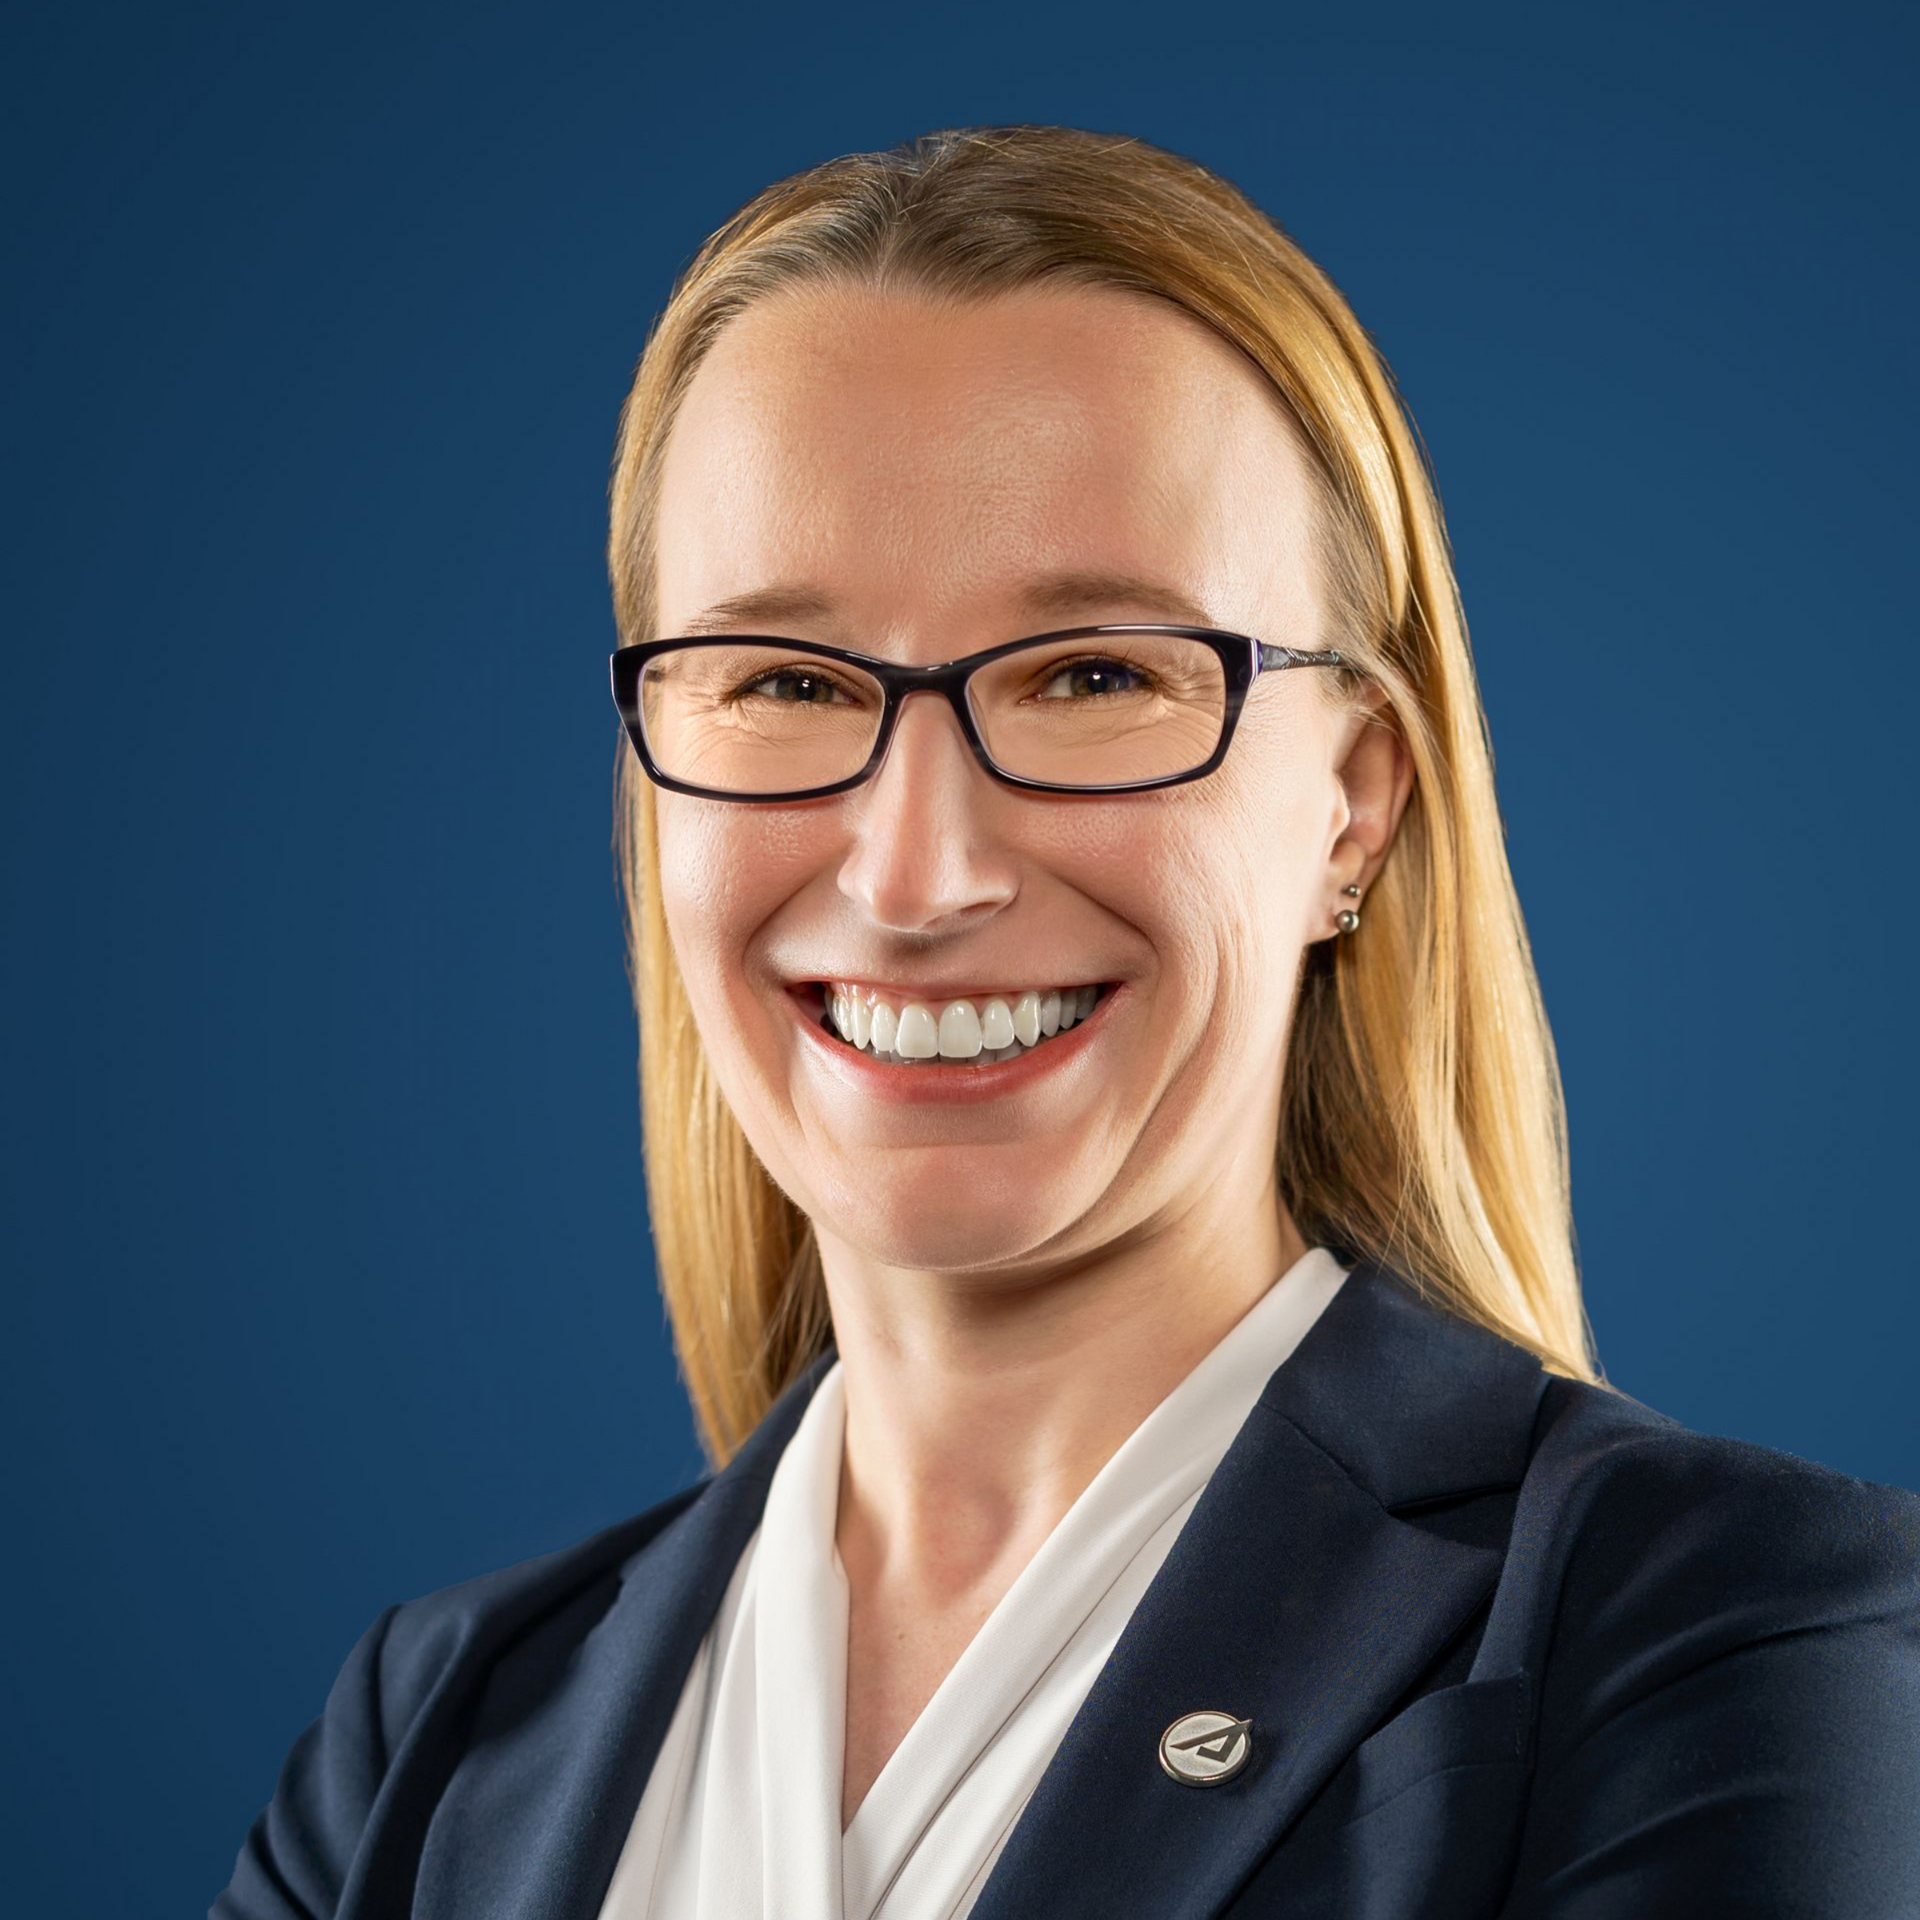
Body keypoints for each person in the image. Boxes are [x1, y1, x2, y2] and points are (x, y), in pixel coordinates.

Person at [212, 124, 1920, 1919]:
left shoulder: (1728, 1644)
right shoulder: (430, 1741)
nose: (917, 869)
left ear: (1352, 803)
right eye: (786, 682)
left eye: (1096, 675)